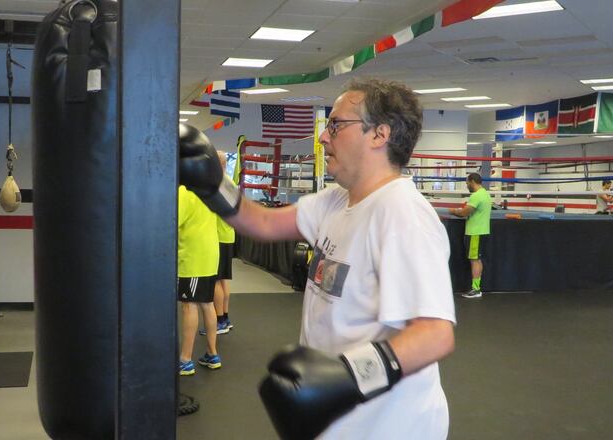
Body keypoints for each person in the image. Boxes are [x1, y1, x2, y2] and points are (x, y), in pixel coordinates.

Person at [179, 77, 456, 439]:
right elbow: (261, 222)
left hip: (389, 427)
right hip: (339, 419)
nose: (324, 137)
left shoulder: (402, 213)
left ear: (379, 135)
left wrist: (348, 374)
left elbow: (436, 334)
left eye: (336, 125)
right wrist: (214, 184)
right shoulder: (338, 199)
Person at [177, 185, 222, 375]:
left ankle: (185, 360)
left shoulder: (185, 191)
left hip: (194, 257)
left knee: (189, 305)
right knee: (207, 303)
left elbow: (172, 221)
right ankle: (212, 354)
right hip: (210, 254)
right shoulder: (210, 190)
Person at [200, 150, 236, 335]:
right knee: (223, 279)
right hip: (227, 235)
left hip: (220, 236)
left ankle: (220, 320)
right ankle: (225, 318)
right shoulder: (230, 183)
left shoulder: (219, 185)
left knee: (215, 280)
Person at [449, 172, 492, 299]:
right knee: (476, 260)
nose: (467, 185)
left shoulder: (477, 196)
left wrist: (452, 211)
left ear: (473, 181)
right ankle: (476, 288)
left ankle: (476, 289)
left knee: (475, 261)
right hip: (481, 231)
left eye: (467, 182)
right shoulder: (485, 193)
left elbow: (464, 213)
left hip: (475, 233)